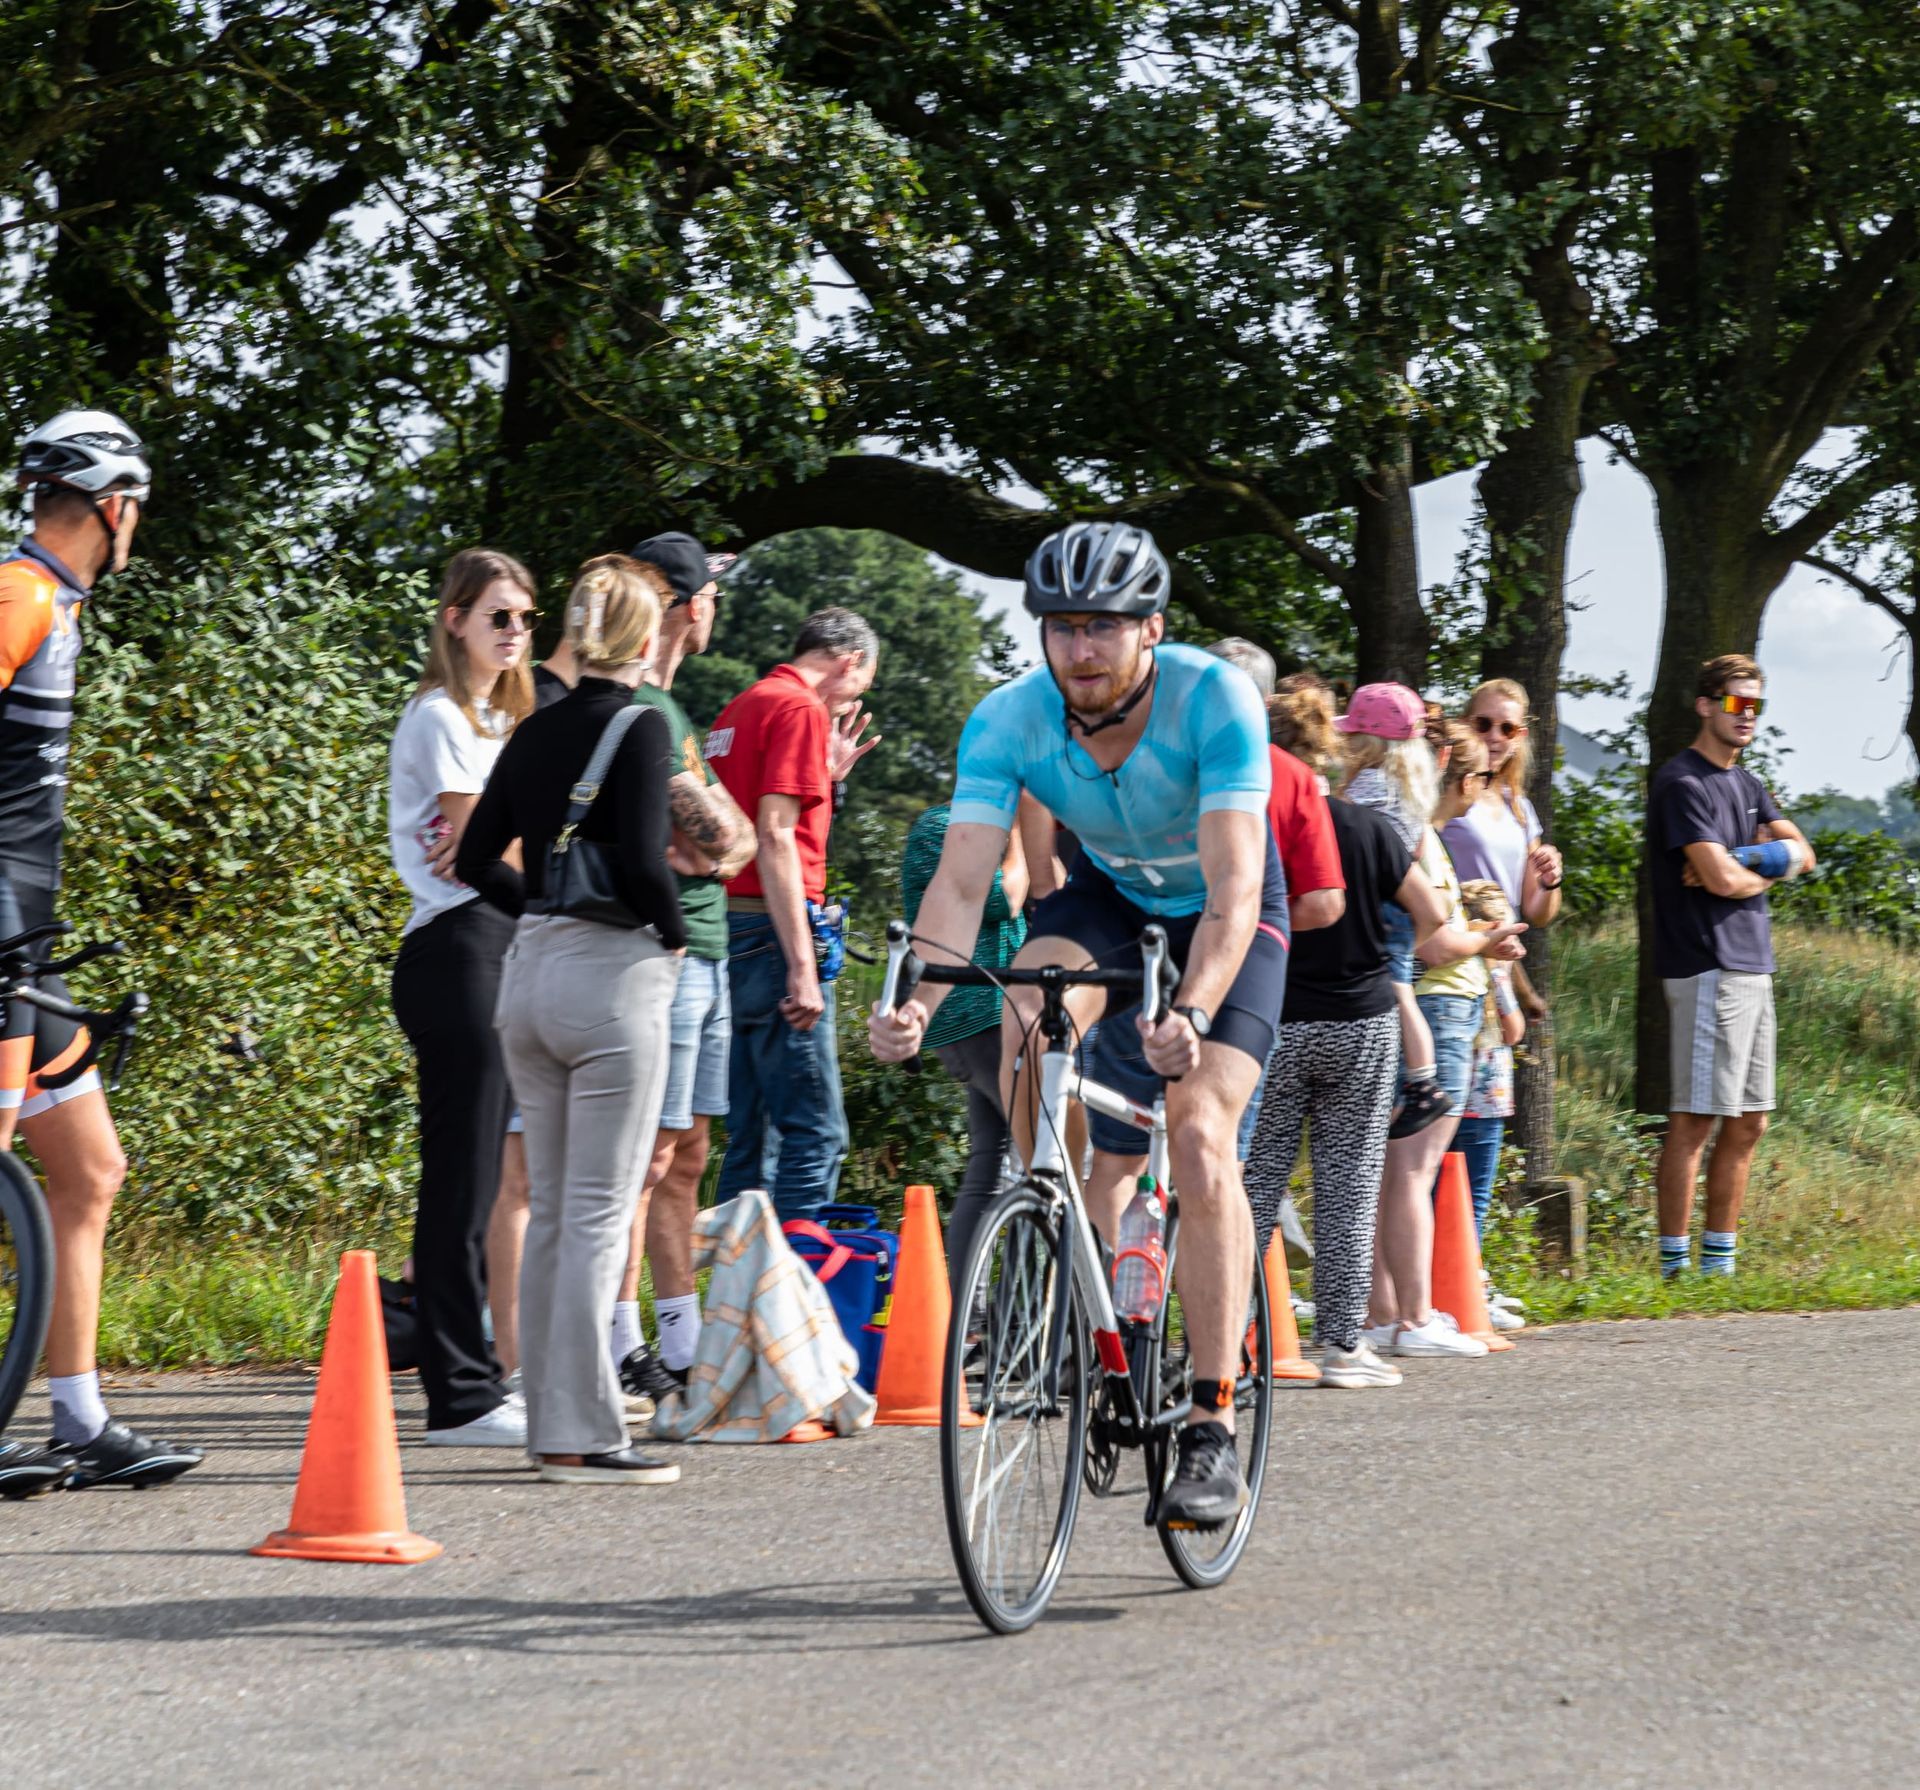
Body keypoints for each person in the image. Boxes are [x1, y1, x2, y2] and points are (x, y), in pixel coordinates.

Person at [869, 521, 1283, 1531]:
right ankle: (1079, 1246)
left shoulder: (1212, 697)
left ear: (1153, 629)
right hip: (1109, 903)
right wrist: (915, 1001)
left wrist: (1188, 1010)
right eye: (1061, 626)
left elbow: (1233, 892)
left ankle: (1211, 1423)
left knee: (1196, 1130)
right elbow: (964, 879)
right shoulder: (1009, 717)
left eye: (1103, 625)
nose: (1081, 648)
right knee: (1025, 1022)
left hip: (1225, 921)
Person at [0, 409, 206, 1494]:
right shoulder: (22, 594)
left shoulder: (57, 605)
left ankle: (80, 1415)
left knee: (89, 1170)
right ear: (111, 506)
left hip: (27, 943)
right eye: (139, 510)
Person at [456, 554, 686, 1486]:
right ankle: (586, 1432)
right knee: (597, 1212)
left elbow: (474, 860)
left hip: (529, 971)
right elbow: (642, 860)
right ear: (640, 638)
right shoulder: (642, 726)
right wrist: (672, 936)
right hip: (611, 981)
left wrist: (543, 902)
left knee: (551, 1210)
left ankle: (549, 1418)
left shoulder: (533, 728)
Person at [1244, 679, 1448, 1389]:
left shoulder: (1253, 821)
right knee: (1348, 1184)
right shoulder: (1370, 829)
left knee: (1256, 1181)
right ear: (1327, 751)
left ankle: (1230, 1337)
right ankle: (1341, 1346)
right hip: (1361, 1021)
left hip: (1276, 1018)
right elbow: (1429, 915)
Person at [388, 548, 537, 1446]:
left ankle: (473, 1375)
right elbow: (484, 853)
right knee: (461, 1185)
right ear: (455, 621)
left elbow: (504, 848)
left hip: (496, 945)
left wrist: (515, 843)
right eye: (498, 616)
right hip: (456, 951)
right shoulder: (441, 717)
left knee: (482, 1183)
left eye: (524, 618)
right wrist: (520, 845)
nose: (516, 632)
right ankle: (459, 1393)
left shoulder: (495, 723)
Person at [608, 533, 755, 1407]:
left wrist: (716, 840)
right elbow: (711, 839)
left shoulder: (675, 710)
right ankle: (623, 1341)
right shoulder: (647, 713)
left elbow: (725, 844)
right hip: (667, 951)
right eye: (709, 595)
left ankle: (682, 1335)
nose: (715, 610)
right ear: (686, 604)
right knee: (646, 1160)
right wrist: (714, 840)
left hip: (708, 949)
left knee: (688, 1153)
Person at [707, 608, 880, 1221]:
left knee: (752, 1142)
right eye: (864, 681)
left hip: (728, 927)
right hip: (778, 931)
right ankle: (794, 1303)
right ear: (849, 660)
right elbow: (776, 836)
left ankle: (734, 1304)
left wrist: (825, 777)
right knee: (814, 1134)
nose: (858, 696)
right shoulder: (799, 708)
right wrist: (803, 965)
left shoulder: (741, 706)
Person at [1647, 653, 1812, 1279]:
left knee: (1749, 1122)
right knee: (1694, 1119)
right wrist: (1761, 867)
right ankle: (1673, 1270)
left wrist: (1750, 858)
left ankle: (1719, 1269)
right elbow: (1713, 880)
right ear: (1705, 705)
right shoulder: (1682, 783)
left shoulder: (1748, 784)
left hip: (1752, 964)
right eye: (1736, 703)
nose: (1747, 717)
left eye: (1755, 706)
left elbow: (1805, 853)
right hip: (1706, 965)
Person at [1365, 725, 1528, 1357]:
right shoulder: (1422, 839)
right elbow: (1429, 945)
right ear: (1462, 778)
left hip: (1439, 1006)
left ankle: (1385, 1312)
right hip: (1441, 1008)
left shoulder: (1418, 836)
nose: (1484, 790)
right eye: (1483, 777)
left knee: (1395, 1169)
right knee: (1413, 1167)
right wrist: (1486, 939)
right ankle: (1412, 1317)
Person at [899, 799, 1031, 1285]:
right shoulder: (947, 826)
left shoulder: (951, 824)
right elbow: (1004, 898)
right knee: (1040, 1160)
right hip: (978, 1016)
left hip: (978, 1020)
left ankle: (963, 1314)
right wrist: (1017, 838)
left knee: (990, 1159)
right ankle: (1018, 1316)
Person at [1337, 684, 1454, 1139]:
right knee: (1400, 990)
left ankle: (1423, 1080)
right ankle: (1415, 1079)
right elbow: (1419, 846)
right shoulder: (1412, 792)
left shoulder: (1369, 785)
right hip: (1404, 903)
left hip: (1378, 903)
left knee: (1399, 993)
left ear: (1370, 742)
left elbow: (1339, 823)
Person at [1455, 880, 1529, 1244]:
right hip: (1485, 1106)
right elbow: (1513, 1030)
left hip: (1448, 1104)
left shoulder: (1450, 972)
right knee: (1475, 1198)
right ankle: (1467, 1280)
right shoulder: (1494, 973)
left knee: (1440, 1192)